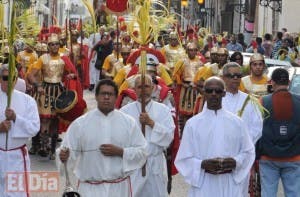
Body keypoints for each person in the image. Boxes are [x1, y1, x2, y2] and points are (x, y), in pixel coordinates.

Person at [57, 79, 147, 197]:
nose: (106, 97)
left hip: (119, 189)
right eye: (103, 94)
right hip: (90, 189)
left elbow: (142, 152)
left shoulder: (129, 123)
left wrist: (121, 152)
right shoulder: (80, 124)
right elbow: (66, 152)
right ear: (96, 96)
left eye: (110, 94)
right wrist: (63, 156)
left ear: (116, 97)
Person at [175, 76, 255, 197]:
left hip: (229, 184)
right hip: (204, 184)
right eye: (209, 90)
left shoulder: (237, 123)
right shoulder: (193, 124)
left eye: (217, 91)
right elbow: (183, 159)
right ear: (203, 93)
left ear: (224, 93)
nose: (213, 94)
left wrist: (235, 161)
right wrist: (201, 164)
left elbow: (248, 152)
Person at [120, 74, 175, 197]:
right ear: (134, 89)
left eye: (146, 86)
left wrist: (151, 123)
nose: (143, 90)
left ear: (153, 88)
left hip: (154, 164)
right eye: (139, 87)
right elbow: (119, 139)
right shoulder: (125, 112)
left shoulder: (163, 110)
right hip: (134, 165)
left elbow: (169, 137)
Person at [222, 62, 264, 196]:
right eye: (231, 75)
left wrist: (243, 143)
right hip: (219, 153)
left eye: (238, 75)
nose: (235, 78)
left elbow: (257, 127)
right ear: (224, 78)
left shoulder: (249, 100)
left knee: (239, 190)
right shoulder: (216, 98)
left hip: (242, 155)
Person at [258, 68, 300, 197]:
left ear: (272, 82)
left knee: (268, 193)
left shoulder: (262, 101)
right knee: (293, 193)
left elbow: (256, 129)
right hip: (294, 156)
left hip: (268, 157)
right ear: (289, 81)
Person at [0, 64, 40, 196]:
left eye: (13, 78)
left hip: (16, 157)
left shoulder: (28, 101)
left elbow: (34, 128)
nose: (9, 81)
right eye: (6, 77)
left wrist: (16, 118)